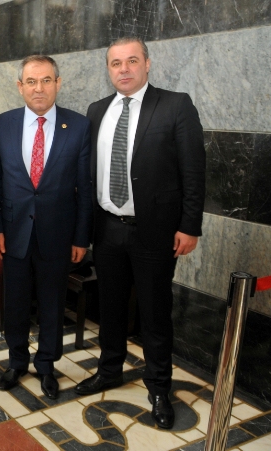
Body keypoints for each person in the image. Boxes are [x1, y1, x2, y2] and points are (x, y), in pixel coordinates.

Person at [74, 37, 205, 430]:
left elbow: (194, 170)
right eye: (116, 63)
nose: (124, 69)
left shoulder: (175, 105)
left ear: (147, 64)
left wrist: (189, 225)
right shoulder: (97, 110)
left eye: (132, 60)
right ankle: (109, 369)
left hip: (155, 231)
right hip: (107, 228)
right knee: (110, 306)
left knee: (154, 312)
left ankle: (159, 387)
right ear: (108, 69)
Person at [0, 55, 92, 399]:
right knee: (15, 303)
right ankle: (16, 361)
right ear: (20, 86)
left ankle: (47, 364)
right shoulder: (1, 124)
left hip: (58, 235)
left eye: (46, 80)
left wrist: (81, 237)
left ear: (58, 84)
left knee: (52, 304)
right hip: (13, 233)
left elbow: (85, 188)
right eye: (31, 82)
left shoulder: (78, 126)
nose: (39, 88)